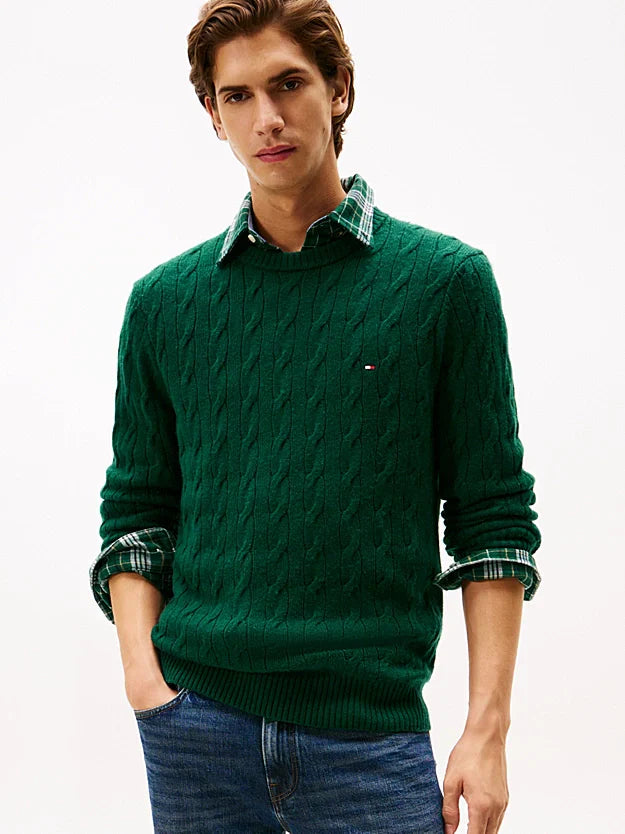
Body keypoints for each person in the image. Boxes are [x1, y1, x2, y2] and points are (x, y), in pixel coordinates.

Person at [89, 1, 542, 832]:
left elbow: (492, 520)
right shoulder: (165, 304)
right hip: (195, 731)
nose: (265, 117)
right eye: (237, 96)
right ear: (212, 113)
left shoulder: (442, 284)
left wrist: (487, 732)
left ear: (337, 89)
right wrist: (145, 685)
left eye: (288, 84)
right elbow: (137, 512)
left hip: (368, 739)